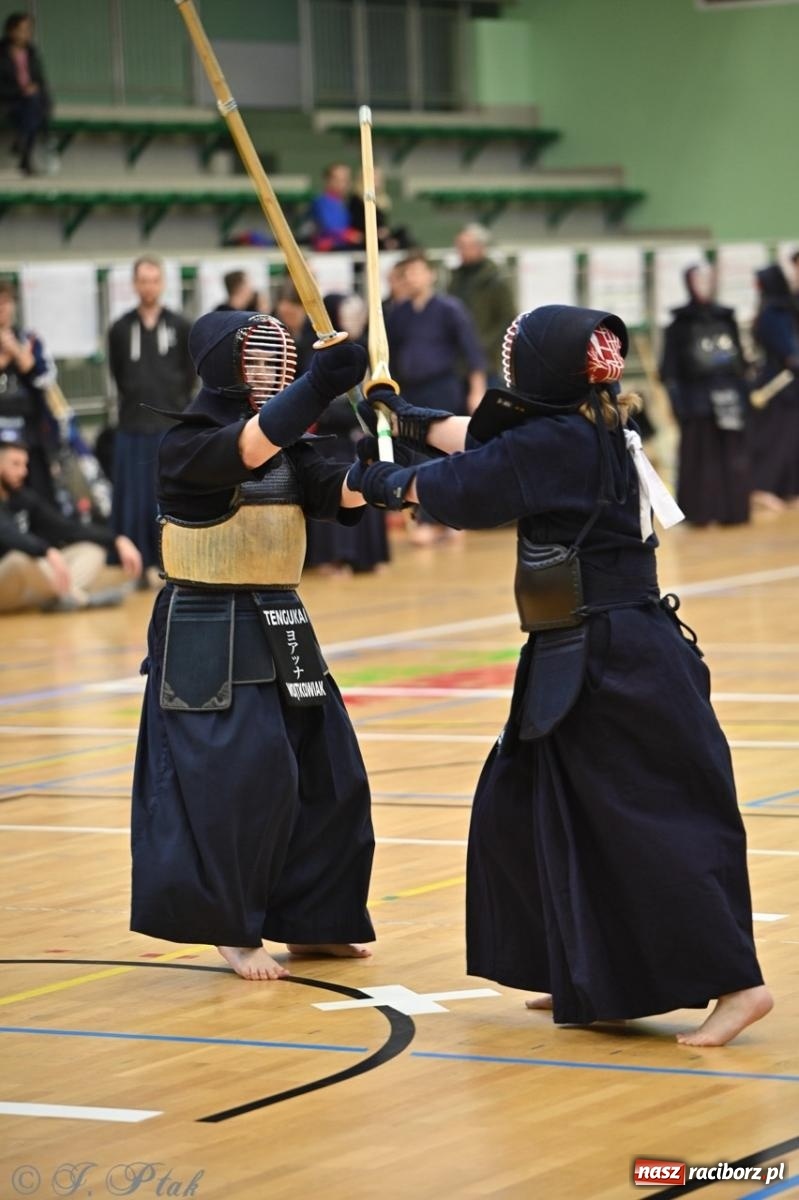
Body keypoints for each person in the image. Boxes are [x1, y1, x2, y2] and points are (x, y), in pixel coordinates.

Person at [350, 304, 772, 1046]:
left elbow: (466, 487)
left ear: (540, 369)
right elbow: (482, 441)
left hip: (610, 660)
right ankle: (577, 965)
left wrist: (379, 480)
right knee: (522, 807)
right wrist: (404, 415)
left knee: (648, 826)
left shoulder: (558, 442)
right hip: (596, 650)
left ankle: (738, 986)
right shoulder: (596, 425)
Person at [130, 309, 376, 981]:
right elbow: (249, 447)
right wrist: (320, 389)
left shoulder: (289, 446)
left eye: (277, 362)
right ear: (220, 367)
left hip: (282, 617)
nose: (269, 373)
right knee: (242, 781)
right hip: (208, 626)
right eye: (256, 361)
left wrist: (386, 446)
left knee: (331, 773)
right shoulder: (188, 444)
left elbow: (342, 493)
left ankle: (316, 920)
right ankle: (229, 927)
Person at [386, 250, 486, 544]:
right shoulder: (399, 313)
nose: (413, 278)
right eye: (409, 273)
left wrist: (477, 389)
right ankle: (427, 518)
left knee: (442, 454)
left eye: (419, 271)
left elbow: (472, 351)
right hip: (409, 391)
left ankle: (445, 519)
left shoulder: (449, 308)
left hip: (442, 387)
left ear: (431, 274)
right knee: (415, 454)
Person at [107, 256, 194, 585]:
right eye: (143, 280)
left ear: (162, 283)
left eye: (154, 280)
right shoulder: (120, 328)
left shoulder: (180, 325)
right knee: (134, 499)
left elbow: (188, 375)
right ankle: (137, 564)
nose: (148, 287)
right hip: (132, 425)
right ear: (134, 284)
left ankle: (171, 562)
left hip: (169, 426)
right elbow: (118, 372)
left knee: (168, 498)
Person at [0, 436, 141, 612]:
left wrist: (117, 539)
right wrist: (46, 551)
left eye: (25, 465)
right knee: (19, 559)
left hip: (29, 584)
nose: (23, 471)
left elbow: (67, 527)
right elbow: (8, 534)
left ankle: (59, 597)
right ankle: (81, 599)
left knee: (92, 549)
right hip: (6, 578)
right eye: (15, 464)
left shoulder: (23, 497)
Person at [659, 264, 751, 526]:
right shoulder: (679, 325)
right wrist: (678, 404)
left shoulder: (726, 319)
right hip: (696, 399)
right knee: (700, 456)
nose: (704, 285)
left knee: (731, 454)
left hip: (729, 397)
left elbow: (739, 362)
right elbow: (669, 370)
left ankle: (733, 511)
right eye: (698, 280)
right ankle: (700, 512)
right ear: (688, 283)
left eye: (708, 279)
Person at [304, 293, 389, 575]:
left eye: (357, 315)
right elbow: (317, 403)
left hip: (359, 436)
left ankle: (366, 557)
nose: (355, 321)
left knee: (367, 482)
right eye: (348, 315)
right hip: (329, 441)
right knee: (337, 487)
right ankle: (334, 557)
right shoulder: (317, 353)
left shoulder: (365, 350)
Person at [0, 278, 58, 506]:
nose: (2, 309)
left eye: (6, 302)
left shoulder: (29, 340)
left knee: (39, 497)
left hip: (29, 436)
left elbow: (46, 381)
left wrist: (19, 355)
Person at [748, 264, 799, 511]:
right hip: (778, 386)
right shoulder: (772, 313)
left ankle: (788, 490)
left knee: (791, 440)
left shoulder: (782, 309)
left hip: (790, 385)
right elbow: (788, 352)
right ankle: (763, 488)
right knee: (774, 439)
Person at [447, 224, 516, 389]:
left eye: (466, 246)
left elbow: (508, 319)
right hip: (458, 361)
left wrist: (482, 345)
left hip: (488, 361)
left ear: (481, 247)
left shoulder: (496, 280)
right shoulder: (455, 279)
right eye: (459, 246)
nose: (461, 251)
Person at [0, 12, 51, 176]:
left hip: (28, 101)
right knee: (32, 107)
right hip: (7, 99)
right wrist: (21, 91)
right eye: (22, 30)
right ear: (11, 31)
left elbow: (40, 81)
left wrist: (38, 94)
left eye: (29, 30)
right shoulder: (2, 54)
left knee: (34, 104)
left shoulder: (32, 53)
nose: (26, 34)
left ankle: (21, 145)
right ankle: (24, 157)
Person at [348, 166, 410, 251]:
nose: (377, 182)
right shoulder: (357, 200)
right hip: (367, 236)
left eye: (378, 179)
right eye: (374, 179)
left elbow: (383, 224)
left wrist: (384, 232)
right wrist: (376, 233)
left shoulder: (381, 199)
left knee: (403, 232)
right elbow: (357, 224)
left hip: (381, 235)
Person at [309, 163, 361, 252]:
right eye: (339, 180)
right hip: (326, 253)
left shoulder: (348, 202)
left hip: (345, 251)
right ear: (329, 180)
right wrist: (349, 235)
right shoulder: (321, 202)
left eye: (346, 180)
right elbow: (329, 227)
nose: (344, 184)